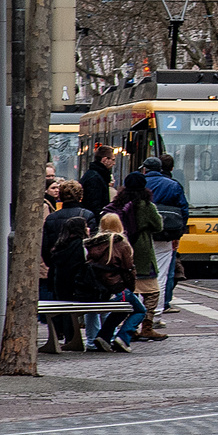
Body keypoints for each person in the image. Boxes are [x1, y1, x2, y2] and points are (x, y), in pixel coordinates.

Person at [104, 171, 169, 340]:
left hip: (121, 252)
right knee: (152, 291)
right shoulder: (146, 205)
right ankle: (146, 326)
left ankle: (128, 325)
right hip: (142, 254)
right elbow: (158, 226)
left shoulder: (118, 204)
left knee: (129, 293)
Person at [86, 212, 145, 352]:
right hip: (116, 287)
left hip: (97, 288)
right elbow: (128, 269)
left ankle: (104, 337)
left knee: (120, 311)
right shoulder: (120, 243)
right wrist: (130, 287)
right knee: (140, 310)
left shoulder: (92, 243)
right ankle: (123, 337)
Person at [142, 156, 188, 316]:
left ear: (144, 169)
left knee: (139, 274)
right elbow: (184, 210)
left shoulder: (138, 185)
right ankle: (156, 312)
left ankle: (139, 311)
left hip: (141, 235)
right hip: (166, 235)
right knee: (162, 274)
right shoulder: (173, 185)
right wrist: (178, 234)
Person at [48, 215, 92, 353]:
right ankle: (74, 339)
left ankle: (69, 337)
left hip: (60, 284)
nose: (88, 229)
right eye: (85, 226)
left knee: (66, 310)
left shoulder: (60, 246)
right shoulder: (80, 244)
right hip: (76, 284)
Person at [79, 145, 115, 216]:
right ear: (104, 160)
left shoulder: (95, 175)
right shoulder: (95, 178)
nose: (114, 163)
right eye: (112, 160)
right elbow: (94, 205)